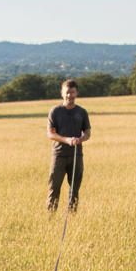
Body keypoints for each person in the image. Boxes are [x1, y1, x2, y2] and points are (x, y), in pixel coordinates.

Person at [46, 79, 91, 212]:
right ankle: (50, 217)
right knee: (54, 188)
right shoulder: (55, 111)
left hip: (76, 155)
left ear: (76, 93)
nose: (70, 95)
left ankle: (72, 217)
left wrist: (80, 139)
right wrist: (67, 140)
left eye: (72, 92)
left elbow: (87, 133)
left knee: (74, 190)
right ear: (62, 93)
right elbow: (50, 134)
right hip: (59, 155)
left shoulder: (82, 112)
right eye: (67, 92)